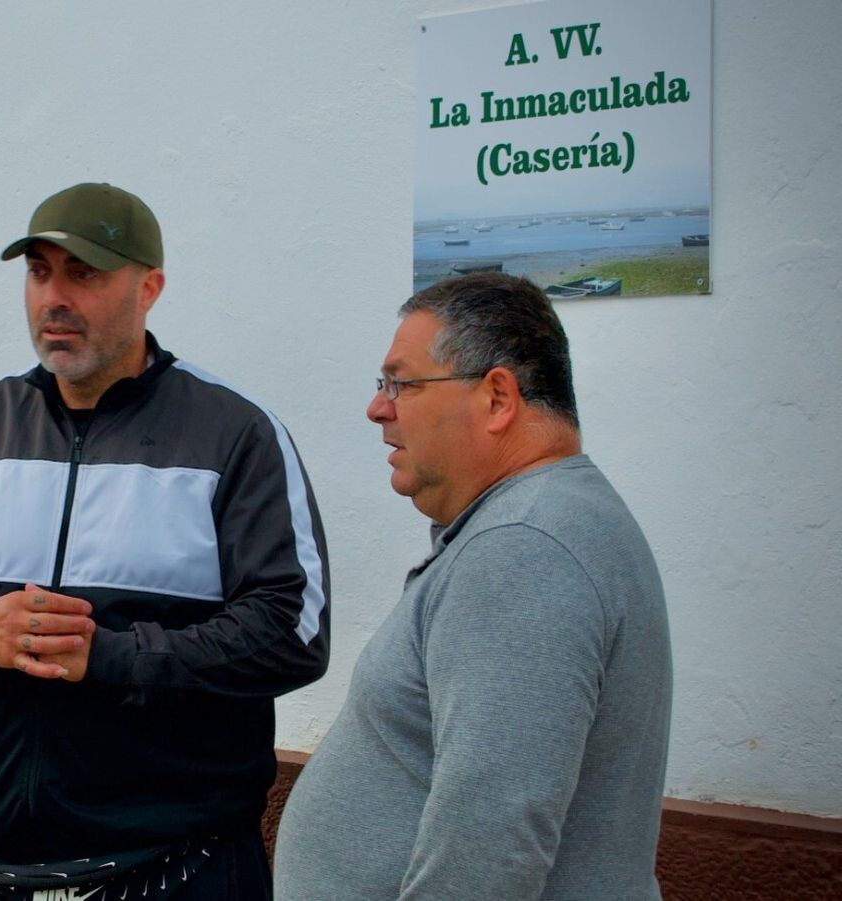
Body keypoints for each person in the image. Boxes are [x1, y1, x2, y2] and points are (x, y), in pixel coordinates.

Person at [0, 182, 330, 899]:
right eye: (40, 273)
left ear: (150, 287)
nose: (54, 298)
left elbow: (293, 629)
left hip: (179, 869)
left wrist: (114, 656)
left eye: (85, 274)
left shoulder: (234, 434)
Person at [274, 272, 672, 899]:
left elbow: (492, 840)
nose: (378, 408)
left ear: (496, 398)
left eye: (400, 383)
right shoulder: (546, 524)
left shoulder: (525, 549)